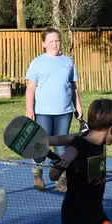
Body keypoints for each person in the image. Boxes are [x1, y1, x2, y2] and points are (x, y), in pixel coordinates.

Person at [25, 27, 84, 193]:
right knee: (40, 146)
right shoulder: (37, 62)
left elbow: (73, 87)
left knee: (61, 148)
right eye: (51, 41)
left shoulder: (68, 61)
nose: (55, 44)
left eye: (57, 41)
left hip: (64, 112)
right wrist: (29, 110)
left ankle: (61, 178)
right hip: (42, 112)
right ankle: (37, 174)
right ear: (44, 44)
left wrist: (78, 107)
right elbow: (30, 89)